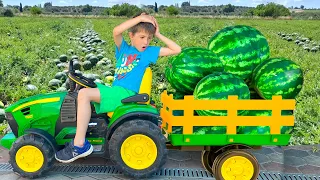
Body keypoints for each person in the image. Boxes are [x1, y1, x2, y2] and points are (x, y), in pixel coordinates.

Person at [55, 13, 181, 163]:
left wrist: (158, 33)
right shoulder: (123, 50)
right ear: (131, 36)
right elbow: (116, 31)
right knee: (83, 94)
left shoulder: (149, 53)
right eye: (141, 37)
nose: (146, 42)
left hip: (125, 94)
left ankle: (79, 144)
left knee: (84, 94)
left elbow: (176, 49)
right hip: (116, 91)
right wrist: (139, 19)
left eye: (149, 38)